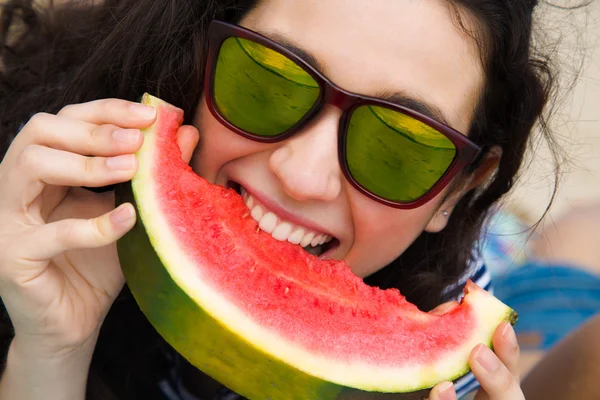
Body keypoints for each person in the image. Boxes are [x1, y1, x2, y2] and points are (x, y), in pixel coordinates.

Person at [0, 0, 558, 399]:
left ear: (458, 189)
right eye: (267, 81)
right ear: (194, 60)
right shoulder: (29, 213)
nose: (302, 177)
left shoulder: (450, 326)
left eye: (401, 146)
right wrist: (50, 352)